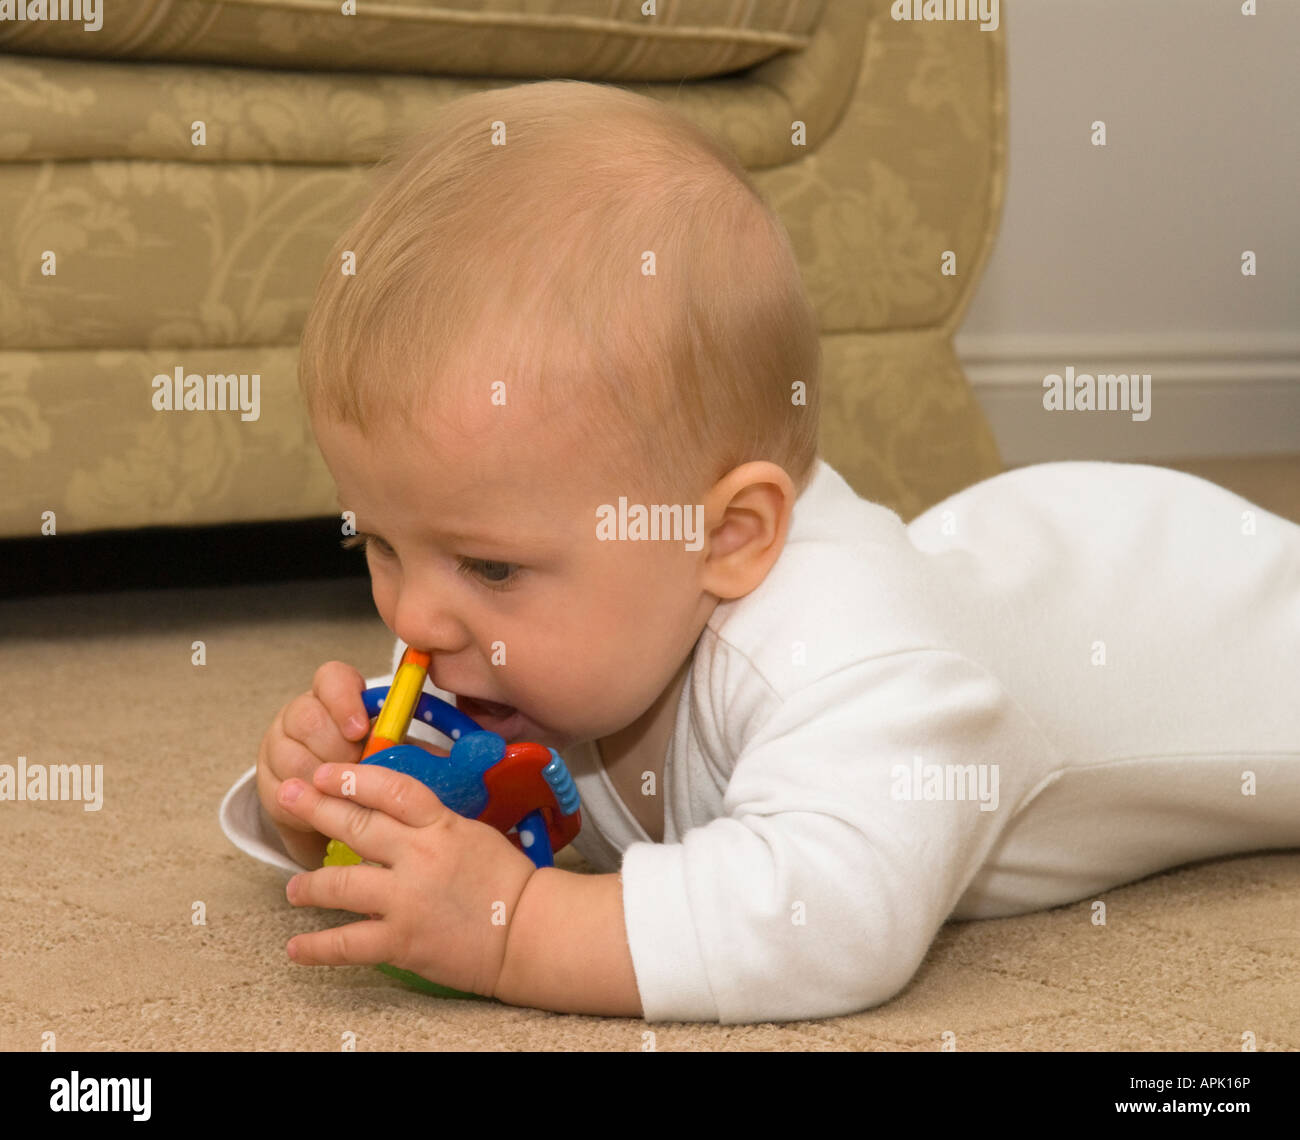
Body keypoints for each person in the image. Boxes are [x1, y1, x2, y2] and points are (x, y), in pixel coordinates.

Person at [220, 80, 1300, 1024]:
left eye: (490, 568)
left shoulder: (854, 667)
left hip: (1235, 613)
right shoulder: (586, 630)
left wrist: (517, 926)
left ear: (726, 536)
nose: (413, 621)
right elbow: (490, 781)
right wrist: (328, 801)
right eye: (381, 543)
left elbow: (830, 915)